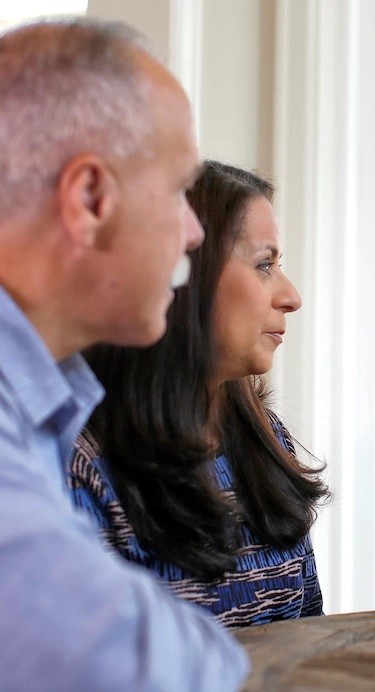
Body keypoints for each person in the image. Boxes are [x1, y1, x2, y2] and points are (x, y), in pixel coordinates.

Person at [0, 17, 248, 689]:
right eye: (177, 192)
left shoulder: (34, 398)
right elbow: (119, 659)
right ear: (89, 198)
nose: (193, 232)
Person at [67, 160, 329, 627]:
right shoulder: (82, 468)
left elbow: (310, 630)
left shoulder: (267, 441)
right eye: (264, 264)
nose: (291, 296)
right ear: (183, 275)